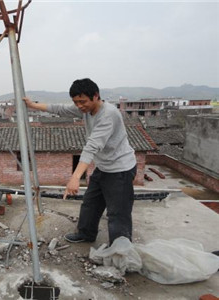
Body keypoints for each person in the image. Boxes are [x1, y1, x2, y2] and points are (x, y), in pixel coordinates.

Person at [23, 78, 137, 245]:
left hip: (120, 169)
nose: (79, 106)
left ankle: (121, 251)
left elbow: (91, 147)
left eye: (82, 101)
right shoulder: (85, 110)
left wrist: (75, 177)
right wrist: (33, 106)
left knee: (118, 212)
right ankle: (86, 234)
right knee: (90, 204)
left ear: (96, 96)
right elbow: (60, 109)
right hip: (104, 166)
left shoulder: (108, 115)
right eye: (76, 102)